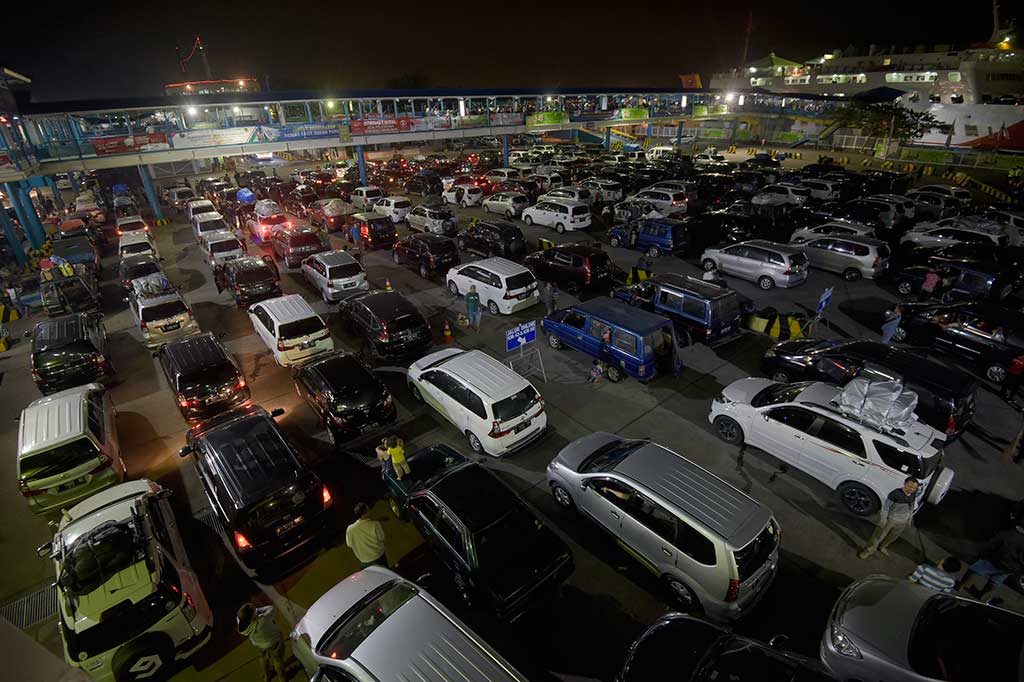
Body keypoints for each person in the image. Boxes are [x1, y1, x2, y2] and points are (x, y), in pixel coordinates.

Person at [859, 477, 920, 559]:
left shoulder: (913, 494)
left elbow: (911, 506)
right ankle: (868, 551)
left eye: (914, 488)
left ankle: (883, 547)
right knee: (878, 537)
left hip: (902, 522)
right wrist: (883, 519)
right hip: (890, 520)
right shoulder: (895, 494)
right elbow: (886, 508)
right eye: (910, 486)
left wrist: (909, 518)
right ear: (905, 484)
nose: (912, 489)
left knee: (893, 537)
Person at [959, 524, 1024, 598]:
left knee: (974, 570)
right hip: (1012, 568)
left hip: (997, 561)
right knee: (995, 581)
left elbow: (992, 545)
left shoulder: (1008, 534)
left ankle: (960, 586)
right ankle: (982, 596)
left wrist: (982, 554)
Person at [237, 603, 288, 682]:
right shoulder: (262, 620)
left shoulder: (239, 621)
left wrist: (254, 612)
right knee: (278, 660)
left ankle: (266, 676)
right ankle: (282, 678)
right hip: (274, 642)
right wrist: (257, 610)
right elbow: (272, 608)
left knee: (263, 658)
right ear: (253, 615)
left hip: (259, 644)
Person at [345, 502, 387, 568]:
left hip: (364, 561)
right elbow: (382, 538)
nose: (370, 511)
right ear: (364, 514)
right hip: (378, 558)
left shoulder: (350, 529)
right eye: (368, 510)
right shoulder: (375, 524)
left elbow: (349, 544)